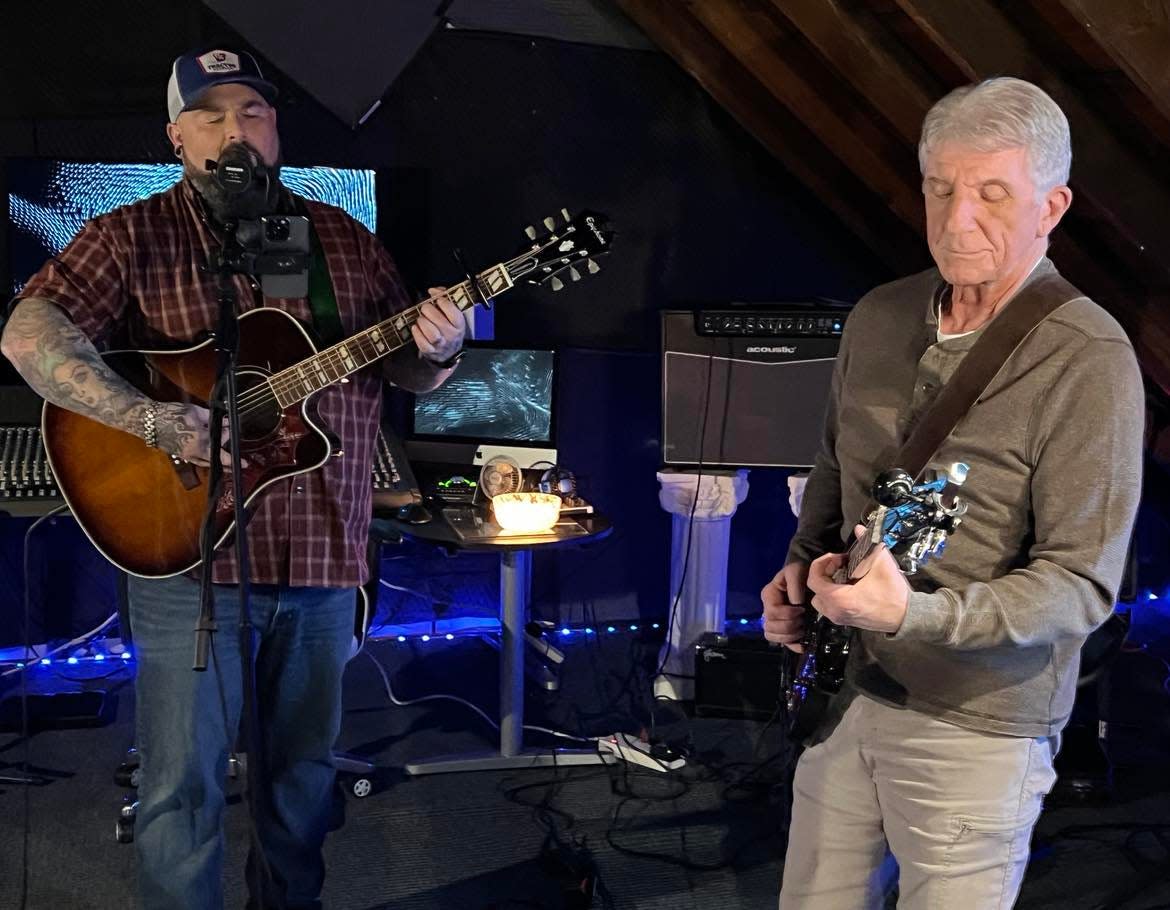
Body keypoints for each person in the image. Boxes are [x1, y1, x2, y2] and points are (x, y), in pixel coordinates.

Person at [0, 48, 467, 910]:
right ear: (176, 137)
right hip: (190, 559)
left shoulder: (338, 241)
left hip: (324, 553)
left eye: (251, 113)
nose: (233, 131)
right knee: (181, 785)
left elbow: (404, 370)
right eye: (210, 116)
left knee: (304, 781)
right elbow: (30, 332)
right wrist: (152, 418)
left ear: (275, 132)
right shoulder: (131, 234)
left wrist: (439, 352)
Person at [760, 77, 1143, 908]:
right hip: (848, 692)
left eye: (992, 194)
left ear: (1053, 205)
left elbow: (1082, 586)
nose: (957, 218)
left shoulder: (1088, 356)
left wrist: (914, 617)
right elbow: (836, 465)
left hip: (979, 725)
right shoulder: (879, 314)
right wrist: (798, 570)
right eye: (941, 189)